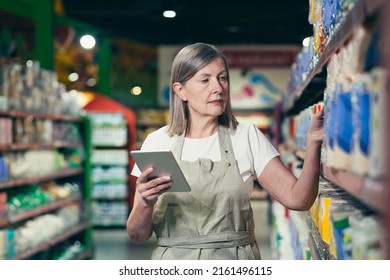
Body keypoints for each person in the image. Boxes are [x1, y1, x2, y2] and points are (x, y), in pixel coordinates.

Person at [127, 42, 324, 260]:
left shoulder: (247, 136)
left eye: (222, 78)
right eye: (205, 80)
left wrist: (314, 143)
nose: (218, 88)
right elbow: (137, 235)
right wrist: (145, 203)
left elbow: (299, 200)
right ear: (180, 90)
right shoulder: (157, 143)